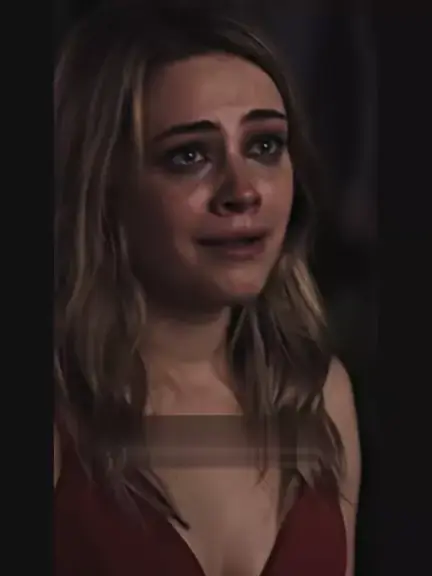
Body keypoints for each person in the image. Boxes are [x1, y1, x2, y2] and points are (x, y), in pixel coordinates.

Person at [54, 4, 360, 575]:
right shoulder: (61, 410)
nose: (243, 191)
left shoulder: (319, 395)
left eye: (264, 146)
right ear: (105, 186)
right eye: (189, 155)